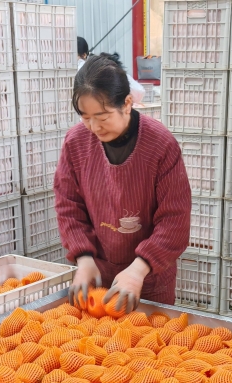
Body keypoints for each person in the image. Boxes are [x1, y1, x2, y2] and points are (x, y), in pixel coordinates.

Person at [55, 53, 191, 313]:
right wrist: (84, 258)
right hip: (97, 276)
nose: (94, 127)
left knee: (147, 336)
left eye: (103, 116)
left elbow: (175, 219)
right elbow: (68, 205)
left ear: (127, 103)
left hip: (149, 278)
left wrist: (139, 270)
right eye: (85, 117)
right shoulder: (76, 142)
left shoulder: (160, 144)